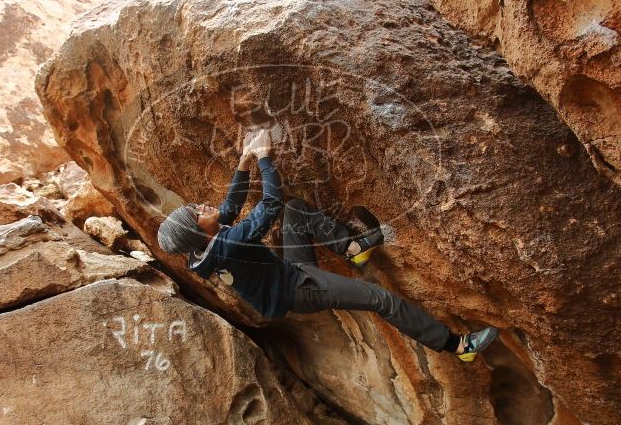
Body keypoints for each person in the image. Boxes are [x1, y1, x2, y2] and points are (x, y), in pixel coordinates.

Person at [157, 129, 498, 361]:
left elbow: (230, 206)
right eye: (195, 213)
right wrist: (265, 157)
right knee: (381, 299)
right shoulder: (225, 246)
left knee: (296, 210)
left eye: (195, 206)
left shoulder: (205, 248)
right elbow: (269, 206)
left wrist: (244, 161)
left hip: (288, 273)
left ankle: (353, 249)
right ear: (197, 233)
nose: (202, 206)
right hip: (299, 290)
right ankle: (457, 345)